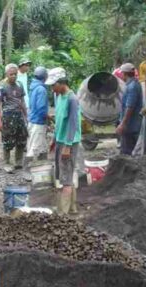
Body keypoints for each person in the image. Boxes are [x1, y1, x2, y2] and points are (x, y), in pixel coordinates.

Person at [45, 67, 81, 215]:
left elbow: (73, 123)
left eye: (53, 85)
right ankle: (72, 209)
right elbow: (59, 121)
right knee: (63, 174)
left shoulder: (72, 99)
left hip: (69, 142)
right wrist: (54, 139)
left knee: (66, 177)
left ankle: (62, 214)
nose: (52, 89)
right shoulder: (59, 97)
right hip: (60, 140)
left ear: (61, 83)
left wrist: (67, 146)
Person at [0, 63, 28, 173]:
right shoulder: (2, 86)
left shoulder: (19, 85)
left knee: (21, 139)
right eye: (11, 74)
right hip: (7, 115)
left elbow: (22, 101)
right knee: (7, 140)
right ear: (6, 74)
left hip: (18, 114)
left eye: (15, 74)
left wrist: (26, 115)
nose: (13, 76)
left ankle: (18, 162)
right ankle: (6, 162)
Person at [115, 63, 143, 155]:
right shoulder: (133, 84)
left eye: (122, 73)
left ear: (125, 74)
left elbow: (130, 107)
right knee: (128, 151)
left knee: (126, 152)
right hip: (132, 125)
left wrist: (123, 124)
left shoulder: (132, 87)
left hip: (130, 126)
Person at [25, 66, 49, 164]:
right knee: (34, 148)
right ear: (45, 77)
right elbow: (41, 108)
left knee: (42, 147)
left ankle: (43, 168)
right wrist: (48, 117)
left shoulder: (33, 86)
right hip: (38, 122)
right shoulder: (41, 90)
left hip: (32, 119)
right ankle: (27, 170)